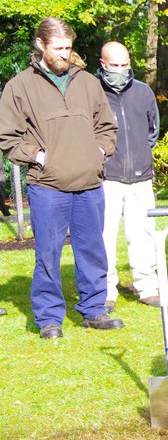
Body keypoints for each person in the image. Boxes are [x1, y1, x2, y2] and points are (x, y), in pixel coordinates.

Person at [0, 17, 123, 339]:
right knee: (48, 254)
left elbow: (107, 126)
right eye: (58, 48)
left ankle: (95, 311)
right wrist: (41, 158)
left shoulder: (87, 82)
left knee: (93, 250)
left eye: (68, 48)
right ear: (40, 45)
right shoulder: (19, 86)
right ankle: (49, 319)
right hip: (47, 187)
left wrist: (99, 151)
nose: (64, 54)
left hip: (90, 185)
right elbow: (8, 138)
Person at [98, 41, 161, 311]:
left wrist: (141, 157)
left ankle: (147, 287)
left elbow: (153, 130)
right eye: (115, 66)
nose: (121, 70)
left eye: (125, 65)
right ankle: (105, 290)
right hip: (106, 178)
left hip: (141, 178)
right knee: (104, 236)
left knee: (144, 235)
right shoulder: (92, 92)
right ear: (103, 64)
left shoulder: (143, 92)